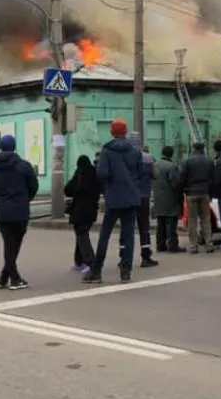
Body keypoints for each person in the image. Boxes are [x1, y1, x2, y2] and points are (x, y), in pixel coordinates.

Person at [83, 120, 142, 284]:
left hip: (114, 198)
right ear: (126, 132)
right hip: (131, 197)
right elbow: (140, 172)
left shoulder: (107, 151)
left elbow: (102, 173)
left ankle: (96, 271)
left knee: (105, 235)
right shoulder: (135, 151)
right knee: (129, 236)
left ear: (111, 132)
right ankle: (126, 271)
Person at [0, 134, 38, 290]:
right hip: (20, 211)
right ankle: (14, 279)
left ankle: (3, 278)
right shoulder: (23, 166)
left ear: (1, 147)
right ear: (14, 147)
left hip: (3, 212)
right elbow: (33, 185)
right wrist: (25, 199)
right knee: (14, 245)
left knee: (9, 244)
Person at [65, 154, 101, 274]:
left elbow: (68, 189)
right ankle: (80, 262)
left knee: (82, 237)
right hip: (91, 210)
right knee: (81, 236)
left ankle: (90, 262)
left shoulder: (80, 174)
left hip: (80, 210)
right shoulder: (95, 174)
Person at [177, 141, 215, 253]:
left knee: (192, 220)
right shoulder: (209, 161)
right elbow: (213, 179)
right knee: (206, 219)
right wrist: (210, 193)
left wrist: (183, 190)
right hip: (205, 193)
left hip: (191, 194)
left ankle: (194, 246)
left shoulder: (187, 161)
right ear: (203, 148)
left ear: (193, 148)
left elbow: (182, 178)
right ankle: (209, 244)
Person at [153, 146, 184, 253]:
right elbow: (175, 183)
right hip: (170, 199)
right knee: (171, 224)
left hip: (158, 198)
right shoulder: (172, 166)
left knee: (160, 223)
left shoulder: (155, 165)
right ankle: (172, 245)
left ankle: (160, 245)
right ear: (171, 154)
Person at [134, 145, 159, 268]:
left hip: (130, 196)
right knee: (144, 227)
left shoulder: (126, 157)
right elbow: (156, 175)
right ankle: (146, 256)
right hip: (144, 196)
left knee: (127, 229)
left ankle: (124, 257)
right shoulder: (149, 158)